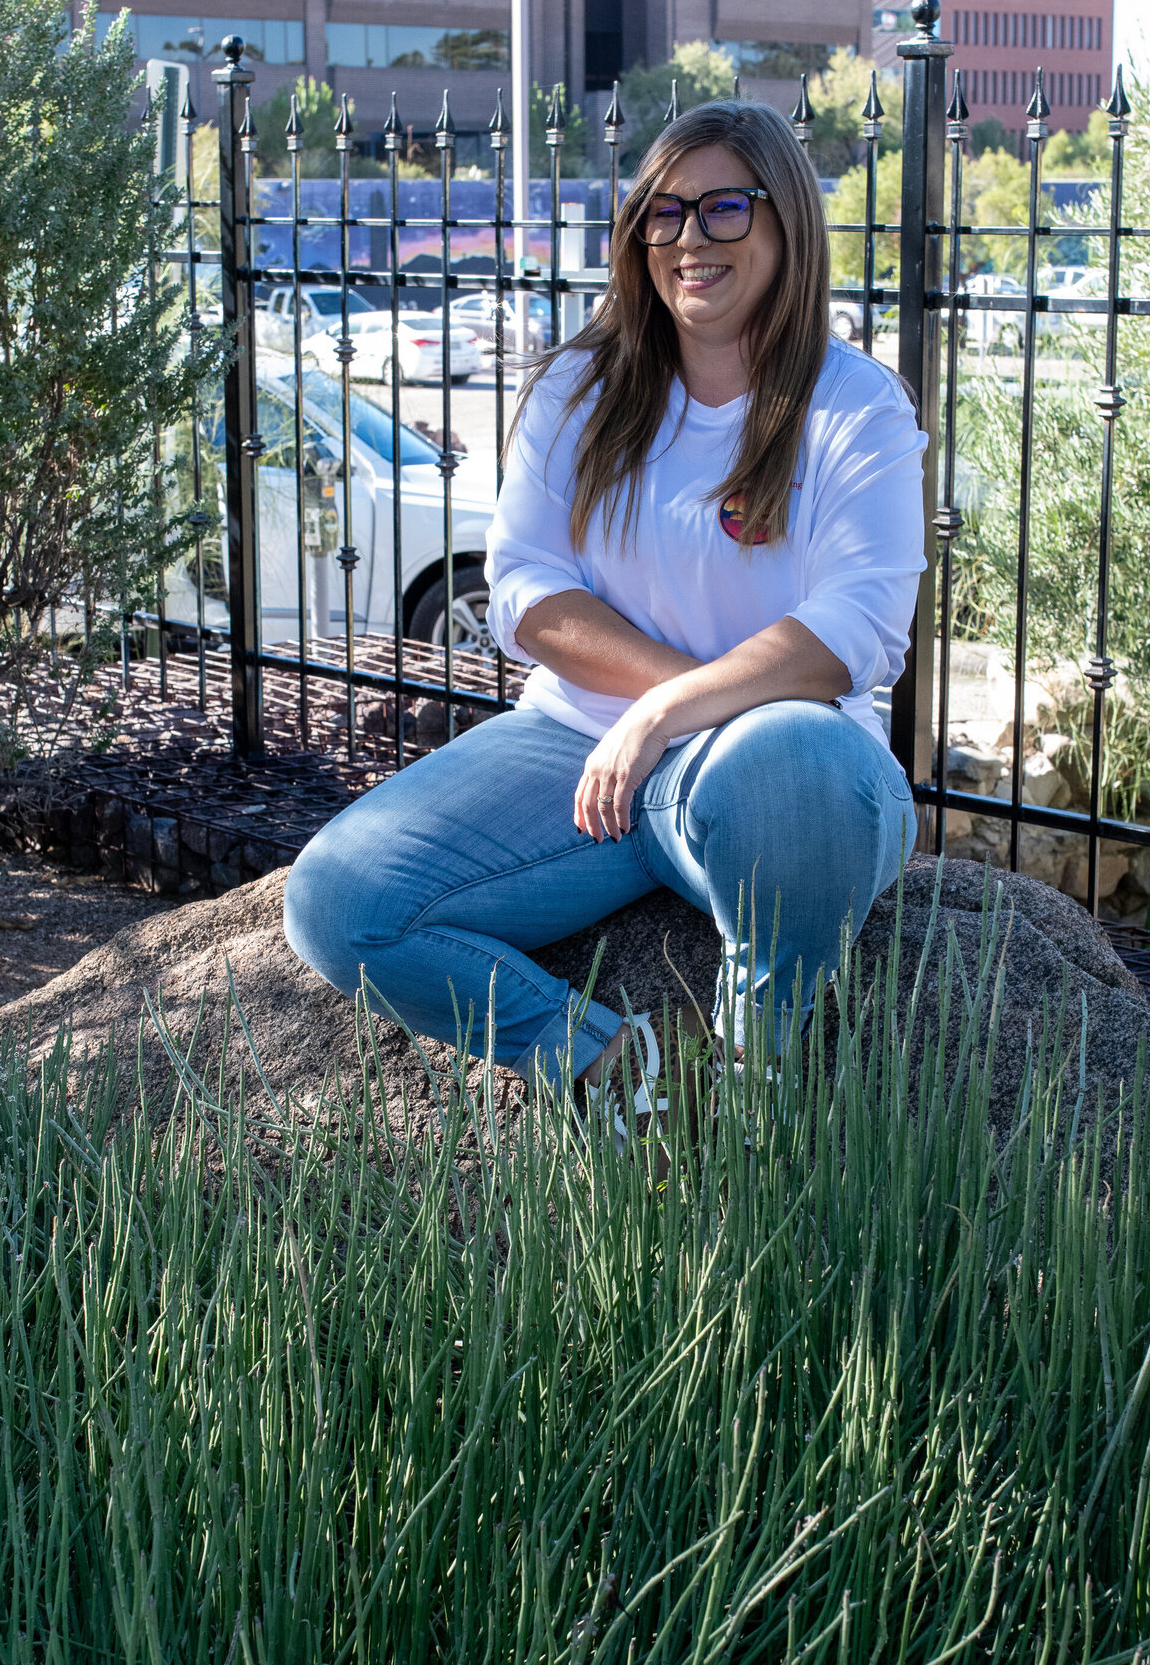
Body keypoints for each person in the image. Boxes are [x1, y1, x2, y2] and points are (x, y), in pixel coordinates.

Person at [284, 98, 926, 1137]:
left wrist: (672, 714)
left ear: (785, 223)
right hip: (578, 754)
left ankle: (755, 1099)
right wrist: (665, 706)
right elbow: (527, 591)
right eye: (662, 214)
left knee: (797, 757)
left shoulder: (855, 407)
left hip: (778, 773)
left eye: (724, 209)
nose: (688, 240)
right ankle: (618, 1069)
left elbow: (851, 635)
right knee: (342, 904)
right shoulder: (581, 387)